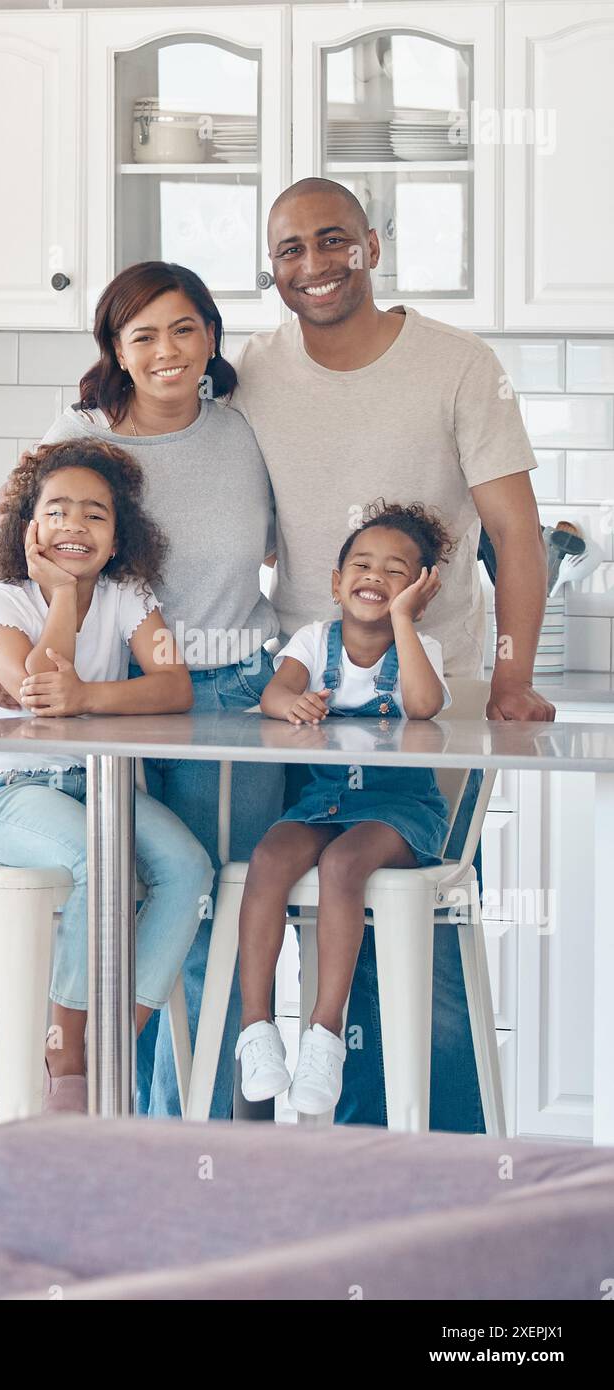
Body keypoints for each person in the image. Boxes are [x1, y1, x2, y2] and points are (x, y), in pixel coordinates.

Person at [227, 177, 555, 1132]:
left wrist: (510, 676)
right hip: (306, 708)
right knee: (288, 912)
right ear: (271, 266)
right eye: (290, 249)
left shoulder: (456, 364)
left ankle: (443, 1181)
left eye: (334, 241)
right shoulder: (250, 369)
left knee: (421, 947)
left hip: (427, 708)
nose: (315, 265)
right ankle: (310, 1182)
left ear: (372, 244)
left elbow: (517, 539)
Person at [0, 262, 284, 1118]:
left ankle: (182, 1125)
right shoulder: (79, 438)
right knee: (118, 874)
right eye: (143, 335)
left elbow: (286, 556)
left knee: (205, 891)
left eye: (185, 329)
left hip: (225, 688)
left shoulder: (246, 430)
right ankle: (101, 1093)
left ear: (212, 335)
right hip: (104, 722)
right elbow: (22, 566)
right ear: (115, 351)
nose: (167, 351)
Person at [0, 435, 213, 1112]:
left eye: (96, 515)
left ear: (117, 535)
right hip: (13, 795)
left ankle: (113, 1042)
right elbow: (36, 693)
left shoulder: (130, 594)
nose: (75, 524)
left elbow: (173, 686)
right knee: (93, 860)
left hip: (100, 790)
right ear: (28, 530)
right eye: (58, 511)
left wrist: (90, 696)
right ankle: (65, 1054)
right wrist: (67, 599)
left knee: (189, 869)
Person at [235, 502, 453, 1115]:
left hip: (399, 809)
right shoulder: (312, 639)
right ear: (335, 582)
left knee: (343, 865)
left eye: (396, 571)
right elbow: (277, 690)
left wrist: (406, 623)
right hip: (324, 800)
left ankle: (325, 1034)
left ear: (417, 590)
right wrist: (292, 705)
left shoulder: (422, 647)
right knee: (270, 857)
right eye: (361, 564)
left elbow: (424, 705)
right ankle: (257, 1030)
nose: (375, 577)